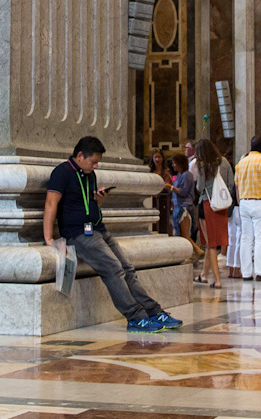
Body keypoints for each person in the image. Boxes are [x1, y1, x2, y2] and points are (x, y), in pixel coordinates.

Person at [42, 136, 179, 331]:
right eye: (94, 161)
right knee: (113, 268)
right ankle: (134, 317)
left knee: (127, 268)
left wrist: (99, 200)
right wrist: (48, 238)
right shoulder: (62, 172)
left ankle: (153, 311)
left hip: (98, 229)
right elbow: (50, 203)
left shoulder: (90, 174)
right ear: (80, 155)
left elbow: (88, 203)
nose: (96, 166)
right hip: (78, 234)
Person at [232, 136, 261, 282]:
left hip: (244, 202)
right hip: (259, 202)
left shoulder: (241, 163)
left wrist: (240, 203)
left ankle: (245, 273)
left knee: (245, 239)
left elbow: (237, 186)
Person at [196, 139, 233, 288]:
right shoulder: (224, 161)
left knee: (211, 244)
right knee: (212, 241)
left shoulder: (203, 164)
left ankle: (217, 281)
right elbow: (231, 183)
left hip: (208, 204)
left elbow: (200, 186)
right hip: (222, 205)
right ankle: (204, 275)